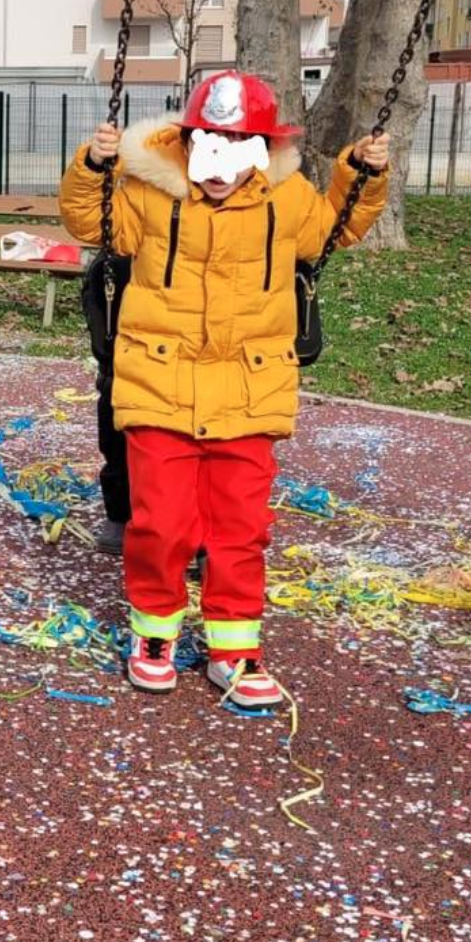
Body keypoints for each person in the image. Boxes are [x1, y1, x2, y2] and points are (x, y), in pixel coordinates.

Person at [60, 72, 390, 707]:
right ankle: (154, 634)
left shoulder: (287, 199)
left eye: (238, 148)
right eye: (208, 145)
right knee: (161, 524)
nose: (221, 166)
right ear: (187, 142)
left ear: (263, 150)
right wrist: (95, 165)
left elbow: (336, 230)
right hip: (159, 382)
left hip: (250, 387)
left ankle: (234, 647)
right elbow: (87, 222)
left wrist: (361, 174)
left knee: (241, 528)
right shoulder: (148, 193)